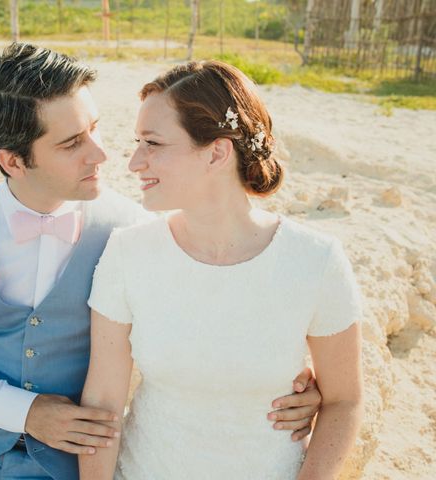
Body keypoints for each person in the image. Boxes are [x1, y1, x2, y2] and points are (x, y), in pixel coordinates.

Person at [0, 44, 323, 480]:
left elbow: (211, 314)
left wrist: (291, 380)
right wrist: (26, 412)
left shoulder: (133, 230)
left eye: (95, 129)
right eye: (72, 144)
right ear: (12, 161)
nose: (101, 155)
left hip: (74, 463)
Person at [80, 60, 363, 480]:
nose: (134, 162)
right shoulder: (127, 254)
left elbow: (344, 400)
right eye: (137, 142)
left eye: (153, 143)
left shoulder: (315, 261)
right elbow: (103, 405)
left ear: (216, 152)